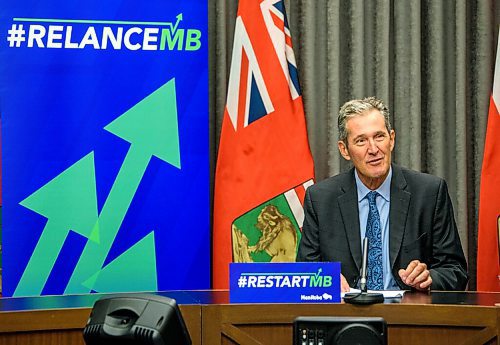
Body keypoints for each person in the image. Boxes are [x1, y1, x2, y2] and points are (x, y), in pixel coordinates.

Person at [296, 97, 468, 292]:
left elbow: (455, 272)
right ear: (344, 150)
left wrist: (429, 278)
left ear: (391, 139)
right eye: (361, 141)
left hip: (408, 315)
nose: (373, 149)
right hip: (344, 316)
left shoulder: (429, 193)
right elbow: (305, 274)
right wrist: (327, 281)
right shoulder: (320, 199)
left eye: (379, 137)